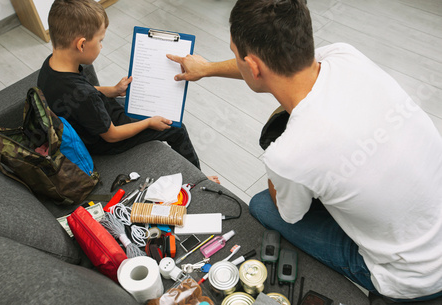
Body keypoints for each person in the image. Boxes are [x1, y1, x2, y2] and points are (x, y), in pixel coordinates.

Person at [167, 0, 442, 301]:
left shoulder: (289, 154)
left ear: (254, 66)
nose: (235, 58)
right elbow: (272, 62)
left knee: (262, 206)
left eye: (236, 54)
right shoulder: (344, 54)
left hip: (415, 279)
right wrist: (206, 68)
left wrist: (281, 166)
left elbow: (291, 214)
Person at [37, 0, 204, 172]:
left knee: (145, 106)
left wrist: (113, 91)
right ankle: (200, 177)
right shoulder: (85, 95)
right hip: (104, 140)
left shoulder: (50, 65)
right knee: (177, 128)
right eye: (100, 40)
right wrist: (148, 123)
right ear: (81, 45)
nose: (102, 45)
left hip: (92, 121)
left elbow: (77, 96)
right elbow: (112, 135)